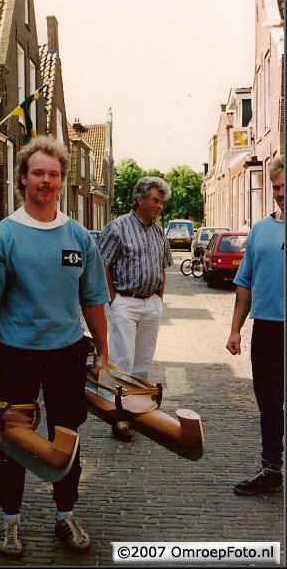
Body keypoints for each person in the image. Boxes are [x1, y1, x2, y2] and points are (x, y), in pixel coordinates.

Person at [0, 135, 109, 558]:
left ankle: (66, 513)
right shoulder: (2, 238)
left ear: (62, 180)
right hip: (16, 353)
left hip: (67, 352)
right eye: (38, 173)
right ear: (23, 179)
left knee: (67, 436)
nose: (45, 181)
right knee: (13, 439)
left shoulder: (80, 237)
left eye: (53, 174)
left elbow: (94, 300)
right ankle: (10, 522)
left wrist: (102, 352)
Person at [97, 177, 173, 442]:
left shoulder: (159, 232)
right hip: (125, 303)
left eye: (162, 202)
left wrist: (159, 298)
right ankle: (117, 417)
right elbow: (102, 265)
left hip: (151, 304)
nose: (159, 206)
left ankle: (136, 411)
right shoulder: (116, 228)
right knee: (121, 362)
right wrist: (113, 299)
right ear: (139, 198)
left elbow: (163, 266)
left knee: (142, 363)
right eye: (155, 200)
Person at [226, 154, 284, 496]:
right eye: (276, 187)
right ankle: (271, 468)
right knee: (268, 402)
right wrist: (235, 329)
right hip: (266, 328)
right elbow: (244, 283)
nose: (280, 193)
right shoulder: (260, 230)